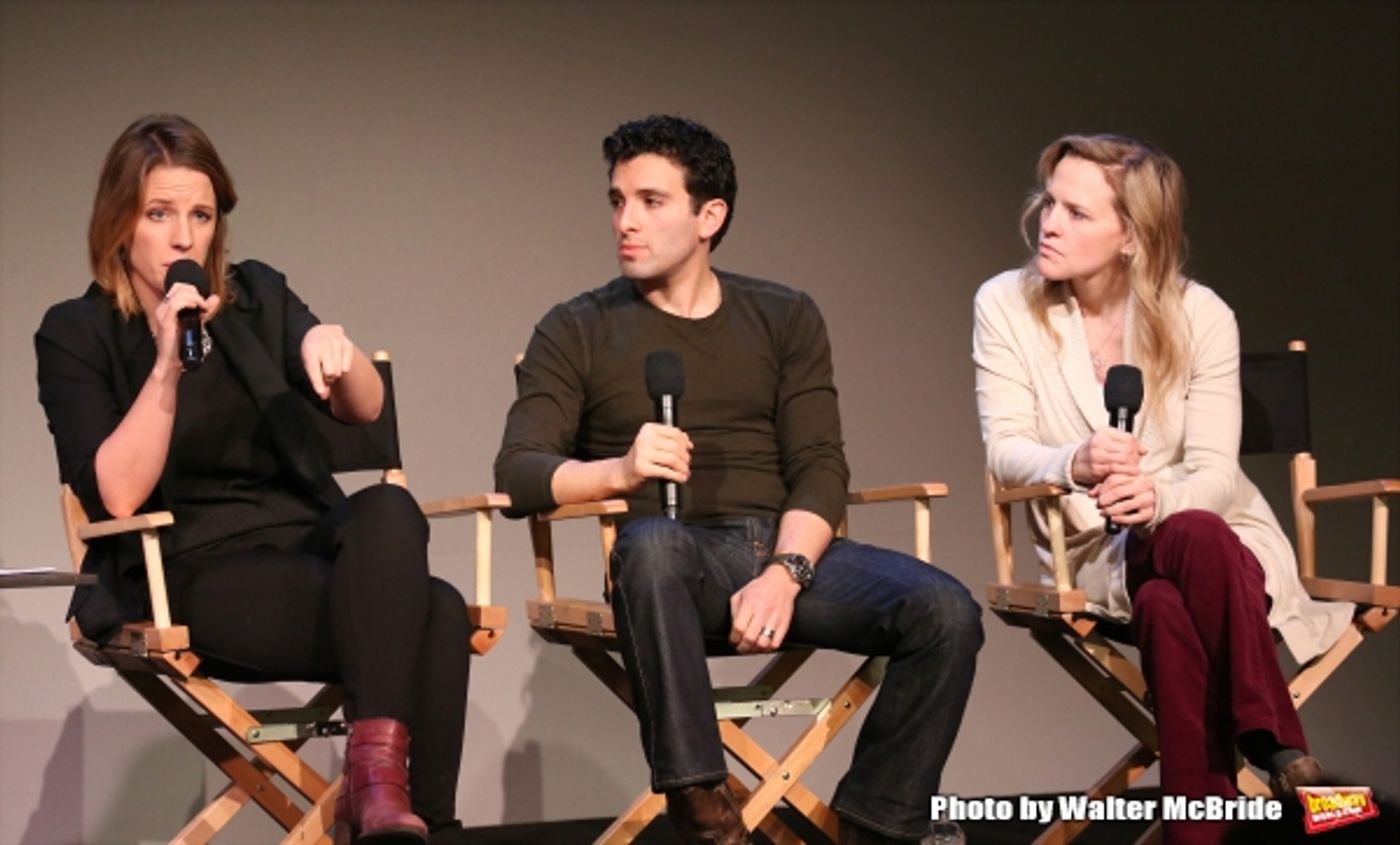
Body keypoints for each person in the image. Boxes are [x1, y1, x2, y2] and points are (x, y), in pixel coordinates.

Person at [496, 114, 983, 845]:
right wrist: (619, 469)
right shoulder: (577, 327)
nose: (625, 220)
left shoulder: (784, 315)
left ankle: (878, 824)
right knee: (651, 543)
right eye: (617, 200)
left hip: (788, 556)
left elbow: (821, 463)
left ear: (709, 215)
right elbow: (519, 470)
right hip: (674, 568)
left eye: (651, 201)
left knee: (947, 612)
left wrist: (785, 573)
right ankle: (704, 803)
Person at [35, 114, 472, 845]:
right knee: (437, 612)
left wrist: (340, 351)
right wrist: (169, 362)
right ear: (118, 225)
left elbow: (363, 407)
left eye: (200, 216)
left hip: (306, 538)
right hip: (191, 565)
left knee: (391, 507)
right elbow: (115, 493)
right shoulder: (75, 333)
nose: (183, 238)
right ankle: (414, 820)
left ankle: (376, 791)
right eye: (160, 214)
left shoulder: (256, 295)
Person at [972, 134, 1354, 845]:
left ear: (1132, 237)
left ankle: (1194, 836)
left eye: (1078, 213)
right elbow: (1006, 449)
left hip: (1222, 543)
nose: (1049, 223)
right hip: (1095, 548)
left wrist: (1161, 501)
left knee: (1170, 593)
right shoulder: (1006, 303)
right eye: (1050, 202)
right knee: (1165, 568)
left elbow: (1213, 471)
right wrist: (1075, 459)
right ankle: (1274, 740)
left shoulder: (1201, 314)